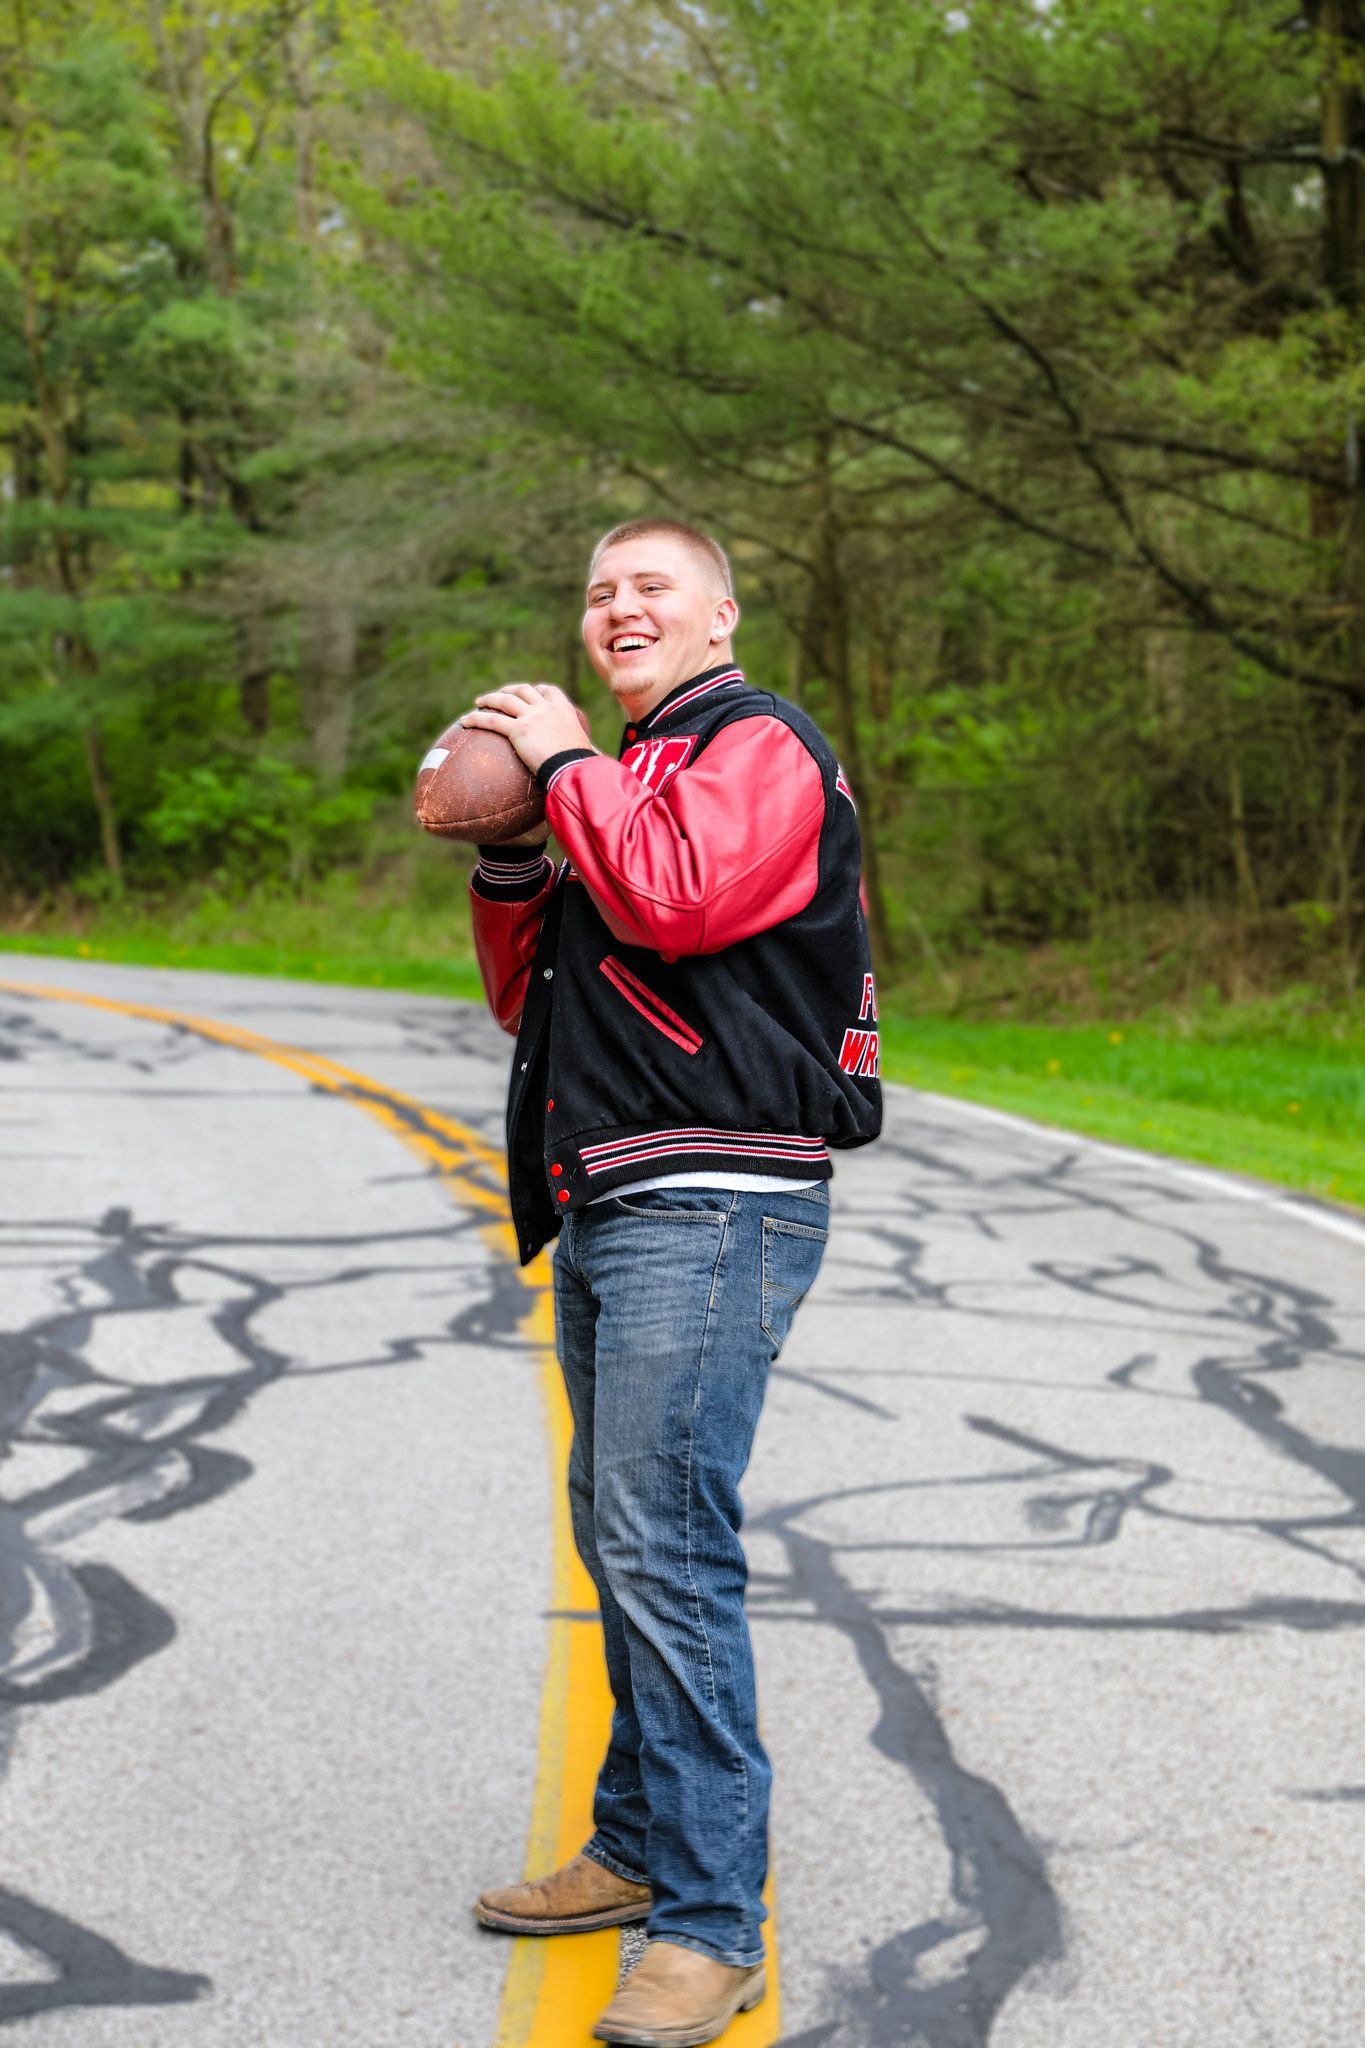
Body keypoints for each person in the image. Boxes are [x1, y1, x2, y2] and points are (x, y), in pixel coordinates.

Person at [461, 518, 881, 2048]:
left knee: (663, 1544)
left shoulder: (753, 744)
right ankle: (636, 1842)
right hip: (615, 1189)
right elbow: (540, 986)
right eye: (595, 590)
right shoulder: (619, 784)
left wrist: (563, 767)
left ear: (722, 611)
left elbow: (682, 902)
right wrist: (515, 853)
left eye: (648, 585)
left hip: (715, 1198)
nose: (616, 606)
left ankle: (712, 1922)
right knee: (619, 1533)